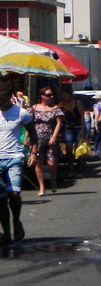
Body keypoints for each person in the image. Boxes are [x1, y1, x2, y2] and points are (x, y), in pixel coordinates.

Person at [0, 72, 32, 244]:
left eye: (2, 98)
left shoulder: (21, 113)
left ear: (9, 97)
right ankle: (6, 233)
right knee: (1, 199)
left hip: (14, 157)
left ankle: (16, 221)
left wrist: (33, 153)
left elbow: (32, 133)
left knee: (13, 193)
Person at [29, 86, 63, 196]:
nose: (51, 97)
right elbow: (29, 124)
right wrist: (26, 137)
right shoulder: (34, 108)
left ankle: (53, 180)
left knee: (51, 162)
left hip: (50, 136)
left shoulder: (55, 109)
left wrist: (54, 136)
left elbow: (59, 123)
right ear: (42, 96)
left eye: (51, 95)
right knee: (38, 162)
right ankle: (42, 187)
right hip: (37, 138)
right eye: (48, 95)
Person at [57, 85, 85, 178]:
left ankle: (80, 169)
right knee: (68, 150)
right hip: (68, 128)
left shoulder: (77, 103)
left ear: (69, 94)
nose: (63, 97)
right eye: (62, 95)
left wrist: (83, 129)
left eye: (64, 94)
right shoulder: (62, 105)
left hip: (78, 127)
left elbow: (82, 116)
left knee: (79, 150)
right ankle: (71, 169)